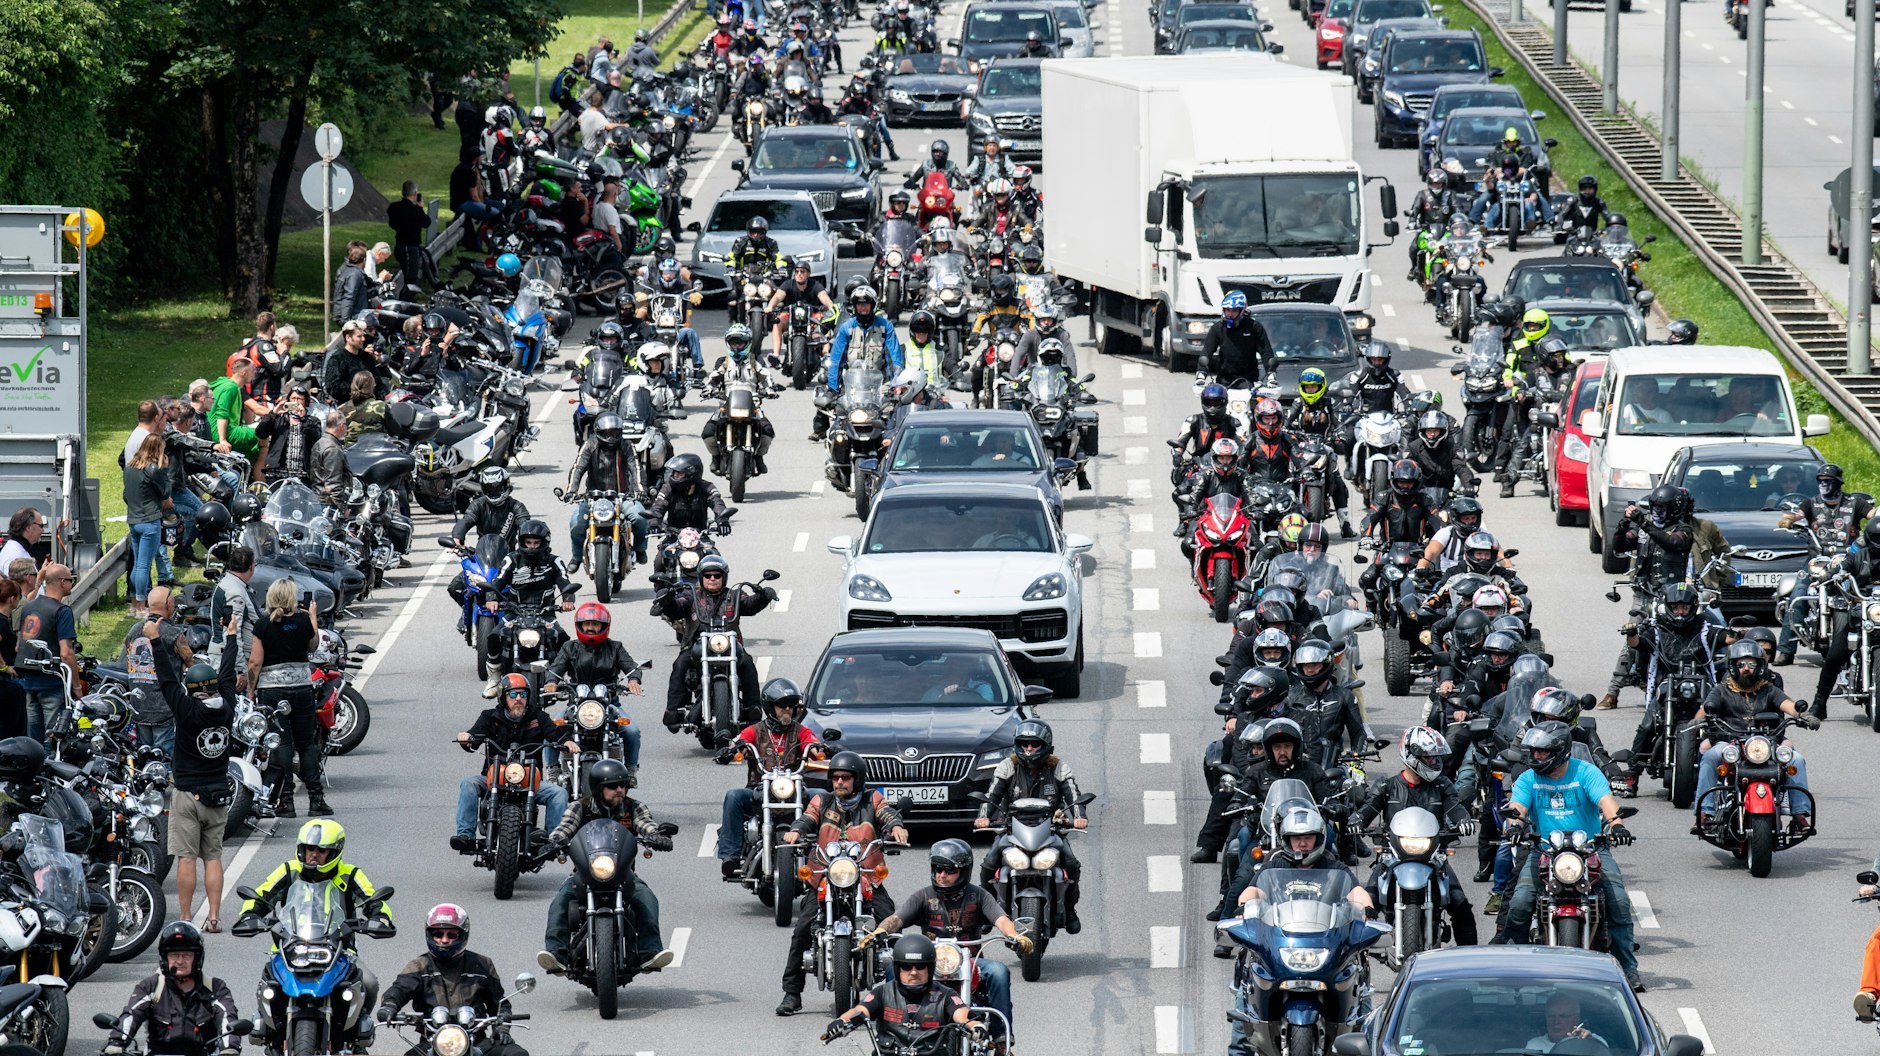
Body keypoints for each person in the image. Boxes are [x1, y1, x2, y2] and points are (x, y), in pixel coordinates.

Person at [1493, 721, 1642, 990]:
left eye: (1543, 752)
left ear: (1560, 751)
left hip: (1591, 848)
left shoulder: (1586, 772)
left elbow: (1605, 800)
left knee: (1618, 901)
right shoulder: (1528, 778)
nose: (1536, 756)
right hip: (1544, 849)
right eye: (1534, 751)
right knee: (1520, 903)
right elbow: (1517, 806)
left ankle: (1627, 969)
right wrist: (1515, 825)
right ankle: (1513, 963)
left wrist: (1616, 824)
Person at [235, 820, 392, 1049]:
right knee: (268, 984)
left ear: (335, 851)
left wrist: (379, 918)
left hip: (339, 950)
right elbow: (261, 894)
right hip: (290, 947)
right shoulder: (289, 870)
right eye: (310, 849)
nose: (314, 855)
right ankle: (270, 1030)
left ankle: (355, 1037)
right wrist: (250, 914)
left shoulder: (350, 874)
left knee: (368, 983)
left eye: (321, 850)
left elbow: (374, 900)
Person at [777, 750, 911, 1015]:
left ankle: (904, 994)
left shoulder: (872, 800)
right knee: (802, 929)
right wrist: (796, 830)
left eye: (845, 778)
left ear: (857, 780)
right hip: (825, 875)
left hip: (867, 877)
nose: (839, 782)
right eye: (836, 777)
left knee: (892, 926)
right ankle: (792, 994)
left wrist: (896, 826)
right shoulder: (822, 800)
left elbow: (887, 814)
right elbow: (807, 818)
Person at [858, 840, 1030, 1044]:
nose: (942, 875)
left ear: (964, 871)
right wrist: (879, 931)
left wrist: (1015, 935)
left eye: (949, 870)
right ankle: (892, 1031)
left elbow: (1001, 919)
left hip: (971, 961)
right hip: (930, 963)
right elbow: (897, 918)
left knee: (999, 971)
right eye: (938, 869)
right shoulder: (923, 896)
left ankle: (1002, 1037)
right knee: (892, 970)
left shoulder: (979, 895)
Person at [537, 759, 678, 976]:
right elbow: (563, 829)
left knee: (646, 898)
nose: (619, 789)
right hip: (584, 875)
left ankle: (650, 952)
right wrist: (552, 843)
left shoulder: (634, 807)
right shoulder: (579, 807)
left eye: (622, 784)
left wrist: (656, 836)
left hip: (623, 874)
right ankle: (557, 954)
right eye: (613, 786)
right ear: (598, 788)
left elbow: (646, 824)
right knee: (561, 901)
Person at [1355, 726, 1479, 944]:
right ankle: (1358, 961)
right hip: (1392, 855)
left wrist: (1464, 820)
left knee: (1461, 906)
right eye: (1427, 757)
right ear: (1411, 756)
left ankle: (1469, 963)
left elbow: (1455, 805)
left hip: (1433, 856)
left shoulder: (1442, 784)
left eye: (1434, 757)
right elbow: (1369, 807)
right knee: (1366, 903)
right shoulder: (1388, 785)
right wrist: (1357, 821)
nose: (1433, 762)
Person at [1689, 640, 1817, 831]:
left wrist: (1805, 716)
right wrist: (1698, 720)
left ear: (1760, 666)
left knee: (1796, 759)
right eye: (1741, 664)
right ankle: (1705, 813)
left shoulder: (1768, 689)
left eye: (1751, 664)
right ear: (1733, 666)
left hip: (1767, 743)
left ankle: (1799, 816)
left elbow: (1789, 705)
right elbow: (1706, 708)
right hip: (1730, 743)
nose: (1746, 669)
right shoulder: (1722, 690)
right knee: (1710, 756)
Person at [971, 719, 1086, 931]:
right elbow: (992, 795)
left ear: (1046, 746)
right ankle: (987, 913)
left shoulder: (1059, 768)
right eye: (1025, 744)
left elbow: (1073, 795)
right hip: (1012, 830)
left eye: (1035, 744)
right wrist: (984, 816)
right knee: (989, 864)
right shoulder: (1008, 766)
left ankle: (1070, 910)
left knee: (1071, 864)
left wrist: (1079, 817)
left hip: (1051, 831)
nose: (1029, 749)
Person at [375, 905, 527, 1056]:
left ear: (462, 935)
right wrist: (389, 1006)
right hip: (432, 1040)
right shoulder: (419, 965)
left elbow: (500, 1003)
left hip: (477, 1040)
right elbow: (399, 989)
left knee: (517, 1054)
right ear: (430, 935)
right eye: (438, 934)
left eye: (451, 935)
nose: (444, 940)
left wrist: (501, 1029)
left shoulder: (482, 964)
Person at [653, 554, 774, 737]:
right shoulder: (691, 594)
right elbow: (679, 607)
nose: (712, 579)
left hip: (730, 645)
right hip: (697, 645)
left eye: (717, 576)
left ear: (723, 577)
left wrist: (764, 597)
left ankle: (752, 709)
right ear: (701, 577)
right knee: (680, 665)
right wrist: (667, 601)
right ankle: (674, 711)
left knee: (748, 664)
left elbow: (749, 605)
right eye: (708, 575)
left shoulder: (733, 595)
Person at [1598, 487, 1697, 710]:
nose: (1658, 512)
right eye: (1655, 507)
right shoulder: (1645, 530)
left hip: (1672, 598)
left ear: (1674, 509)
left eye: (1662, 508)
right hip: (1644, 593)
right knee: (1632, 635)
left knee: (1679, 636)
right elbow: (1620, 546)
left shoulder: (1682, 530)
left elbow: (1672, 543)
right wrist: (1623, 526)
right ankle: (1613, 690)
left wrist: (1644, 522)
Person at [713, 678, 824, 874]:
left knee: (822, 797)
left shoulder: (800, 731)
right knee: (733, 796)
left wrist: (820, 749)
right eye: (782, 706)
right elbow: (740, 742)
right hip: (759, 790)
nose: (787, 710)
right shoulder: (755, 730)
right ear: (770, 707)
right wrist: (731, 750)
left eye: (791, 706)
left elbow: (812, 744)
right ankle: (730, 853)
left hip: (794, 790)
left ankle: (825, 854)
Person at [451, 674, 573, 851]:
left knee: (559, 793)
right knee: (468, 784)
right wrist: (466, 738)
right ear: (503, 697)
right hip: (494, 780)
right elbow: (474, 736)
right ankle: (466, 836)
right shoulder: (490, 717)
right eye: (513, 695)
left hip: (531, 782)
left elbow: (555, 733)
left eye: (522, 695)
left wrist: (567, 740)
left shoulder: (538, 717)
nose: (518, 699)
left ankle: (553, 840)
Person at [1776, 462, 1874, 664]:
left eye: (1828, 481)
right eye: (1820, 481)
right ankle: (1786, 650)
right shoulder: (1811, 503)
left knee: (1860, 595)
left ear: (1838, 483)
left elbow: (1873, 515)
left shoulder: (1854, 502)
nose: (1824, 485)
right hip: (1817, 560)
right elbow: (1796, 515)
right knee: (1798, 594)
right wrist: (1788, 519)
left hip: (1847, 559)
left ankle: (1864, 643)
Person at [101, 921, 243, 1056]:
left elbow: (227, 1017)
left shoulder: (215, 988)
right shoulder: (151, 987)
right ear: (164, 958)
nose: (180, 961)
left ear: (197, 958)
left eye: (187, 955)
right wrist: (117, 1042)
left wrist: (230, 1047)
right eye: (174, 955)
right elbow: (131, 1014)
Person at [247, 579, 327, 819]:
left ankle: (286, 800)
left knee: (282, 744)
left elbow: (255, 662)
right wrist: (312, 616)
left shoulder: (262, 626)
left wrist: (251, 689)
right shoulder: (302, 621)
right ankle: (316, 798)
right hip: (302, 687)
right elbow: (312, 646)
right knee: (306, 744)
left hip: (272, 690)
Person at [821, 934, 982, 1047]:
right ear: (897, 969)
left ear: (930, 968)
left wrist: (975, 1026)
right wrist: (842, 1021)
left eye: (920, 966)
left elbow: (962, 1015)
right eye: (906, 966)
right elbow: (860, 1010)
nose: (913, 972)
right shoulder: (882, 993)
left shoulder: (945, 995)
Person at [814, 285, 903, 441]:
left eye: (866, 304)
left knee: (891, 421)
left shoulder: (885, 327)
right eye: (859, 304)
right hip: (852, 387)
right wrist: (833, 389)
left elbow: (894, 359)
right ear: (854, 306)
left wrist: (896, 386)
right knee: (839, 423)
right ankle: (834, 455)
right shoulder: (846, 328)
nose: (863, 307)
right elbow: (836, 362)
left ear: (873, 305)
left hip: (880, 386)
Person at [565, 413, 652, 569]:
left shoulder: (626, 445)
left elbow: (636, 468)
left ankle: (640, 549)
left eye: (614, 432)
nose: (611, 437)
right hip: (594, 498)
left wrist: (640, 490)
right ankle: (577, 557)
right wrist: (571, 491)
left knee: (640, 519)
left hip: (623, 496)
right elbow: (578, 467)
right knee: (576, 524)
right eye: (607, 433)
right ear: (598, 432)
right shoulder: (589, 445)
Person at [446, 467, 531, 616]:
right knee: (455, 587)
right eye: (489, 488)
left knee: (525, 590)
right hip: (482, 559)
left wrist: (528, 542)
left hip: (509, 560)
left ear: (506, 486)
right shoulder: (478, 504)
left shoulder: (516, 506)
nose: (493, 491)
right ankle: (468, 611)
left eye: (497, 487)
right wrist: (457, 538)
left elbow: (525, 525)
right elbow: (467, 520)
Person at [14, 562, 78, 744]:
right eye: (70, 580)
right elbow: (67, 653)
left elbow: (19, 646)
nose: (72, 584)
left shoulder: (28, 607)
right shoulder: (62, 611)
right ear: (62, 582)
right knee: (52, 741)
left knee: (33, 741)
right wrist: (76, 687)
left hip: (29, 684)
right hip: (52, 685)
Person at [123, 432, 176, 618]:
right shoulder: (153, 469)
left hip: (134, 519)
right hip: (150, 521)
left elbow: (125, 495)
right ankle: (140, 606)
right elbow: (165, 492)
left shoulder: (130, 468)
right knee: (144, 566)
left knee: (138, 564)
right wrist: (166, 470)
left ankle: (134, 604)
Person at [645, 453, 730, 539]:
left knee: (714, 553)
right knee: (662, 552)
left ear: (691, 474)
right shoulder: (668, 488)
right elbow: (658, 507)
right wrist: (654, 524)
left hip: (700, 538)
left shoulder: (707, 487)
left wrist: (722, 521)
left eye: (679, 474)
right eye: (675, 473)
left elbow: (717, 503)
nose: (675, 476)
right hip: (673, 538)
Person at [766, 259, 835, 361]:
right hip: (790, 316)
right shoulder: (788, 284)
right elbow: (778, 296)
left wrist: (832, 308)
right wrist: (770, 306)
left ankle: (825, 354)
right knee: (778, 322)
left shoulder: (815, 285)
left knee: (826, 323)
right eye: (797, 271)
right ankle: (776, 355)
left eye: (802, 272)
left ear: (808, 274)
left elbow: (824, 297)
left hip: (812, 317)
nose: (799, 274)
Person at [1199, 291, 1273, 384]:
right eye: (1227, 310)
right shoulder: (1217, 328)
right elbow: (1207, 351)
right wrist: (1201, 375)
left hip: (1249, 381)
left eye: (1234, 311)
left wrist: (1271, 375)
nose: (1230, 314)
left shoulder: (1254, 327)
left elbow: (1266, 352)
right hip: (1224, 381)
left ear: (1242, 311)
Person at [0, 508, 42, 572]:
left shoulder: (18, 549)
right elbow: (12, 582)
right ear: (28, 527)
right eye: (41, 526)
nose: (42, 530)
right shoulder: (14, 555)